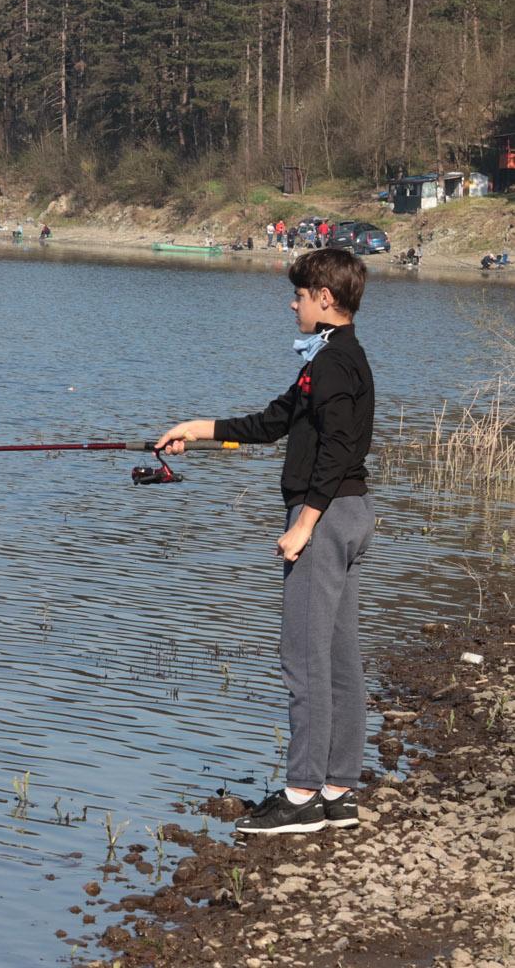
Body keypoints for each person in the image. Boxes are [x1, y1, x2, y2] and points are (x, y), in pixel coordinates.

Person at [156, 248, 375, 836]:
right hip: (352, 514)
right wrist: (199, 430)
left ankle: (301, 795)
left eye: (300, 294)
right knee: (338, 657)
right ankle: (338, 791)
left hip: (324, 517)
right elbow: (277, 420)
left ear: (324, 299)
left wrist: (303, 523)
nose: (293, 302)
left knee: (304, 656)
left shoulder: (329, 364)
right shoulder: (340, 358)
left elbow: (333, 449)